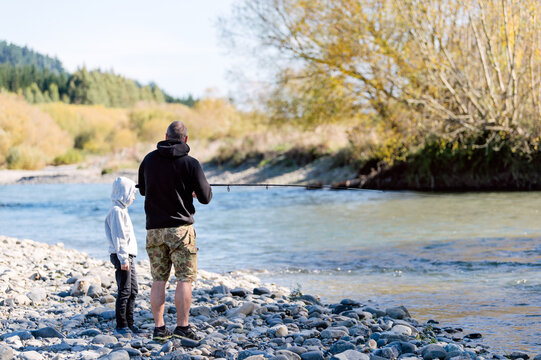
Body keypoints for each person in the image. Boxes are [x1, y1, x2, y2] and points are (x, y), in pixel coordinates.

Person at [138, 120, 212, 342]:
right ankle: (183, 327)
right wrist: (190, 192)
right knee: (184, 279)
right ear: (186, 140)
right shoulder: (191, 164)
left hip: (154, 230)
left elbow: (143, 190)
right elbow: (206, 197)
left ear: (165, 136)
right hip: (181, 230)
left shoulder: (149, 160)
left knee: (158, 279)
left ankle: (159, 329)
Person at [105, 176, 139, 337]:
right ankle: (121, 325)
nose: (134, 197)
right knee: (125, 290)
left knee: (133, 290)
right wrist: (124, 259)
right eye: (132, 193)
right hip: (122, 256)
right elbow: (119, 237)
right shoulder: (116, 211)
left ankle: (130, 323)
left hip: (127, 256)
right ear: (124, 193)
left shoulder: (121, 210)